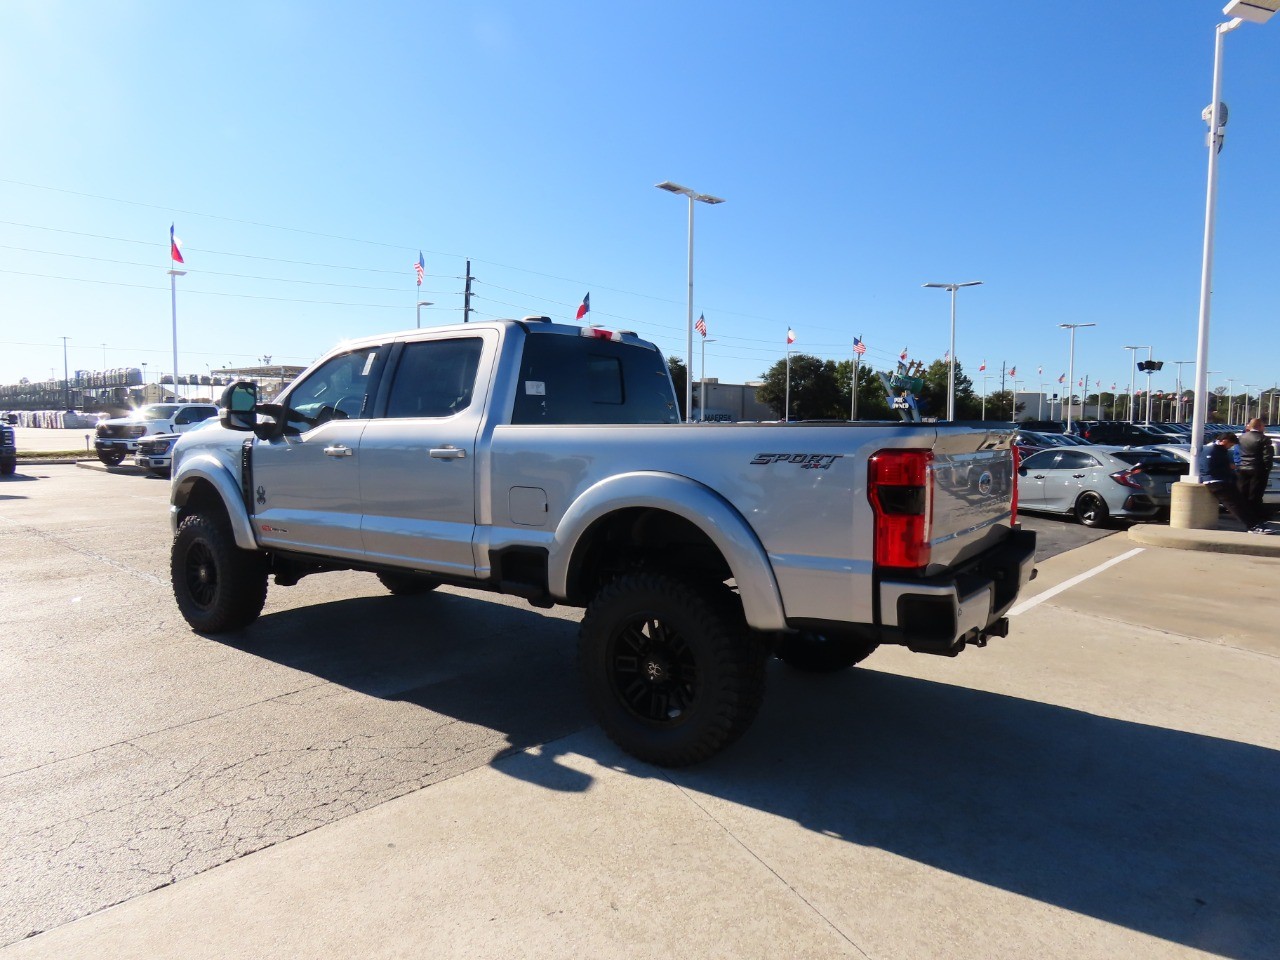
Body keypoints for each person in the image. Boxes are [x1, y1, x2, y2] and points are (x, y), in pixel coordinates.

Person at [1204, 432, 1270, 534]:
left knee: (1241, 503)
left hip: (1224, 480)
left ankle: (1255, 523)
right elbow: (1209, 468)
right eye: (1230, 445)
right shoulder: (1213, 450)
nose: (1230, 447)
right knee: (1235, 505)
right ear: (1225, 441)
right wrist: (1228, 469)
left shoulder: (1219, 450)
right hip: (1217, 482)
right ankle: (1252, 526)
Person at [1237, 418, 1274, 520]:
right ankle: (1256, 515)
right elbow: (1267, 456)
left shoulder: (1242, 437)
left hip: (1243, 467)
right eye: (1263, 426)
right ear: (1260, 426)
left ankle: (1244, 514)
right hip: (1258, 468)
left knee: (1244, 493)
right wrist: (1267, 468)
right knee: (1256, 494)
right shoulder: (1264, 438)